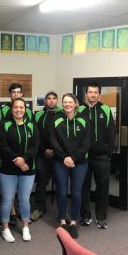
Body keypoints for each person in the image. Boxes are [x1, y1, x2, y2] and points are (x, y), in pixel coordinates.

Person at [0, 98, 39, 243]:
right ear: (12, 109)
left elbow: (35, 146)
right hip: (8, 170)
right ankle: (6, 229)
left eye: (21, 107)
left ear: (25, 109)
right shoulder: (5, 125)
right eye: (16, 107)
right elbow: (3, 147)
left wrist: (25, 159)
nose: (19, 110)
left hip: (28, 170)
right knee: (7, 200)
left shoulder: (32, 126)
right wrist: (18, 160)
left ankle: (25, 227)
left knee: (24, 200)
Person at [50, 93, 90, 239]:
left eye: (70, 102)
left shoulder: (84, 120)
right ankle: (62, 221)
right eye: (65, 102)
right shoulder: (56, 119)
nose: (67, 104)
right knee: (61, 192)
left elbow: (86, 143)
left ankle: (73, 222)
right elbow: (53, 141)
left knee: (76, 193)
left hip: (79, 162)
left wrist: (73, 158)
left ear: (75, 104)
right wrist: (64, 157)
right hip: (60, 161)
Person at [79, 83, 115, 229]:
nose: (92, 95)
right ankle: (85, 216)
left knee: (102, 188)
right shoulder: (79, 109)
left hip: (101, 157)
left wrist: (108, 152)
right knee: (84, 187)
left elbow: (111, 133)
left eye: (95, 92)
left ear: (99, 94)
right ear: (86, 94)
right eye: (90, 92)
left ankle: (101, 217)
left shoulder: (105, 109)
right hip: (84, 157)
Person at [31, 91, 62, 221]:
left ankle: (62, 211)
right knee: (41, 182)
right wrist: (44, 150)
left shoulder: (63, 114)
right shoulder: (38, 114)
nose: (51, 101)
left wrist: (56, 151)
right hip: (42, 154)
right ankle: (39, 208)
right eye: (48, 98)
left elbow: (65, 137)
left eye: (54, 98)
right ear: (45, 101)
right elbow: (35, 135)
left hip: (59, 155)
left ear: (57, 100)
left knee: (62, 183)